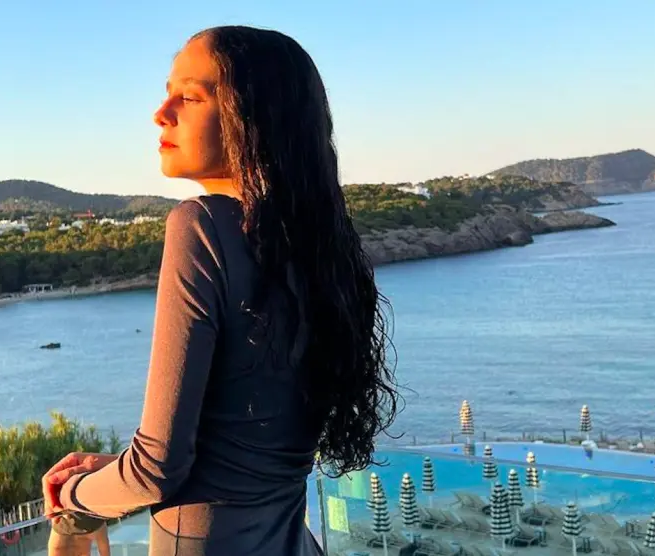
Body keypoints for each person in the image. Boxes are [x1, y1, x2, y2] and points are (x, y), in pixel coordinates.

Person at [41, 25, 400, 555]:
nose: (161, 113)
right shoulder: (323, 248)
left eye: (189, 97)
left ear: (252, 116)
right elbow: (241, 450)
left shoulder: (201, 226)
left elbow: (155, 469)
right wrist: (113, 471)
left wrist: (71, 496)